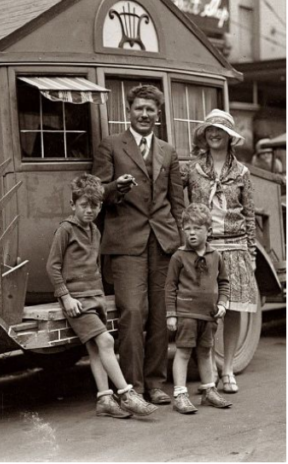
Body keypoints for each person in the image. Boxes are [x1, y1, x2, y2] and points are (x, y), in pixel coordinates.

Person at [92, 84, 184, 405]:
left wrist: (183, 245)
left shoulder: (168, 152)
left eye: (150, 110)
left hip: (163, 242)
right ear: (128, 112)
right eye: (138, 109)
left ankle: (157, 383)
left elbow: (177, 203)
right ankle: (132, 387)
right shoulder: (111, 146)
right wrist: (115, 186)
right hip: (126, 242)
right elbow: (97, 193)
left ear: (158, 115)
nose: (144, 114)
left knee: (160, 314)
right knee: (132, 311)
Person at [46, 174, 158, 418]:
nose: (89, 210)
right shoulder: (65, 230)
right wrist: (65, 297)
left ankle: (104, 399)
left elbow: (94, 265)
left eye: (95, 205)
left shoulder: (95, 231)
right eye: (84, 204)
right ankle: (127, 394)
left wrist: (100, 294)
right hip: (77, 300)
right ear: (72, 204)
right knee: (106, 341)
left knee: (96, 349)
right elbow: (52, 266)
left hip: (94, 296)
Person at [184, 109, 259, 395]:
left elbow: (249, 215)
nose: (214, 134)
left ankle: (227, 369)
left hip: (236, 246)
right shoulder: (193, 170)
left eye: (220, 130)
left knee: (233, 310)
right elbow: (179, 204)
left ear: (230, 137)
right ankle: (210, 369)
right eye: (209, 130)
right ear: (204, 135)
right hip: (206, 249)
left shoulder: (242, 172)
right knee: (207, 311)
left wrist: (251, 255)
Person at [165, 203, 233, 413]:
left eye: (197, 228)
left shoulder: (216, 256)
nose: (192, 233)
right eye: (188, 228)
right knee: (183, 352)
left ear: (208, 230)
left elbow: (224, 282)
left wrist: (222, 303)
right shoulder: (179, 256)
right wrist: (171, 314)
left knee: (205, 352)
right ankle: (180, 394)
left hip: (209, 315)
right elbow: (170, 286)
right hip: (186, 314)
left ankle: (209, 391)